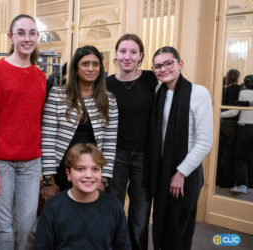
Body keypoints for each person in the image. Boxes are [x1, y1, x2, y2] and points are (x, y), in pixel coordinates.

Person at [0, 14, 46, 250]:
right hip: (0, 162)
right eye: (21, 33)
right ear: (10, 37)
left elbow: (38, 122)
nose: (27, 38)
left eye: (32, 33)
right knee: (2, 226)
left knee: (26, 225)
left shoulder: (40, 77)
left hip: (31, 163)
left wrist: (43, 166)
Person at [145, 46, 213, 250]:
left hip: (186, 174)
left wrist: (180, 173)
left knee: (179, 227)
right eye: (157, 66)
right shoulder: (159, 91)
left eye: (168, 63)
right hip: (162, 171)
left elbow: (204, 141)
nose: (163, 69)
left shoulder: (198, 93)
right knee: (161, 223)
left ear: (180, 64)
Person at [41, 45, 118, 199]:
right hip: (63, 172)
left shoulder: (109, 99)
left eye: (95, 64)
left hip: (92, 173)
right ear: (76, 68)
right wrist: (49, 180)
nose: (91, 68)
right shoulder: (58, 94)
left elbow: (110, 143)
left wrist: (103, 179)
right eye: (85, 64)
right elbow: (47, 139)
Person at [106, 33, 157, 250]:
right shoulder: (106, 83)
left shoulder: (151, 79)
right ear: (116, 55)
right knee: (112, 208)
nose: (128, 56)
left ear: (141, 56)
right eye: (123, 51)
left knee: (140, 212)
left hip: (144, 156)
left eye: (133, 52)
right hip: (115, 155)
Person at [35, 143, 131, 250]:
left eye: (95, 169)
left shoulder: (114, 206)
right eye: (80, 169)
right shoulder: (53, 207)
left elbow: (123, 246)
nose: (88, 175)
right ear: (69, 174)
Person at [221, 75, 253, 194]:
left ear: (244, 84)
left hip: (244, 128)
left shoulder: (243, 93)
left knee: (240, 157)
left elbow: (234, 112)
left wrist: (217, 114)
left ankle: (242, 185)